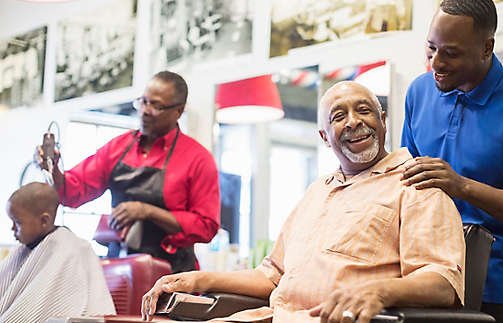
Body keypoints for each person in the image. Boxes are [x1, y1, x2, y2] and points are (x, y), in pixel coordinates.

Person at [141, 81, 465, 323]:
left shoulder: (416, 185)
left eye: (363, 110)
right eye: (339, 116)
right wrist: (198, 279)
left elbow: (442, 283)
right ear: (325, 137)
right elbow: (272, 275)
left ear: (383, 119)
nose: (353, 121)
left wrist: (379, 292)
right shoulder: (317, 192)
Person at [400, 1, 503, 322]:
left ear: (487, 47)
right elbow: (405, 185)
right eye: (432, 48)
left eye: (452, 53)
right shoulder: (419, 92)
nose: (437, 63)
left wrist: (462, 186)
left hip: (498, 293)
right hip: (425, 283)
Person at [36, 71, 220, 273]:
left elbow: (206, 226)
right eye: (143, 102)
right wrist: (52, 170)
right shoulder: (118, 147)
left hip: (173, 274)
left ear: (178, 111)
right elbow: (70, 192)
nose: (145, 111)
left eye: (156, 106)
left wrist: (147, 211)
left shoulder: (197, 158)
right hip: (120, 269)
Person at [0, 182, 116, 323]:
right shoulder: (22, 248)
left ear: (44, 220)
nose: (12, 229)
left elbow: (39, 309)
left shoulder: (72, 250)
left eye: (17, 223)